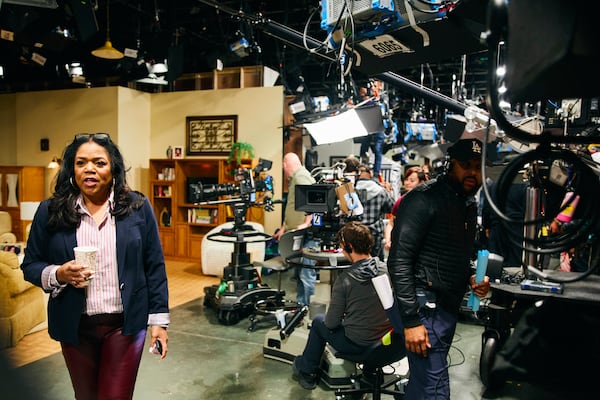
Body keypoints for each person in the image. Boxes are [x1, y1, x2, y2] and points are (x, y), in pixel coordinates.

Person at [21, 133, 170, 400]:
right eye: (81, 163)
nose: (89, 168)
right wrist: (58, 273)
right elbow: (30, 264)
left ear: (113, 170)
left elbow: (154, 266)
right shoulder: (50, 211)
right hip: (74, 326)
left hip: (125, 324)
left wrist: (159, 322)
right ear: (72, 170)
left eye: (99, 162)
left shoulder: (137, 207)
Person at [387, 138, 491, 400]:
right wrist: (411, 321)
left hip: (446, 307)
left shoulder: (466, 203)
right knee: (435, 389)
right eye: (466, 166)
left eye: (478, 167)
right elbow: (398, 261)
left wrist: (472, 276)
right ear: (450, 165)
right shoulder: (422, 200)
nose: (473, 174)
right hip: (423, 308)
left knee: (423, 382)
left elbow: (455, 253)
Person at [292, 221, 393, 390]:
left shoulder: (345, 279)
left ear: (350, 247)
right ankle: (369, 372)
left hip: (358, 344)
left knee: (318, 321)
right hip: (386, 342)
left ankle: (307, 372)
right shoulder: (386, 269)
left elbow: (331, 323)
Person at [274, 152, 316, 305]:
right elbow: (293, 206)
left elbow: (314, 199)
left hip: (305, 234)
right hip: (296, 234)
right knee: (299, 273)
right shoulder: (295, 179)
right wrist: (284, 228)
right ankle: (301, 305)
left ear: (285, 165)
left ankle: (305, 308)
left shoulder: (301, 177)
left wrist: (307, 222)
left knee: (305, 273)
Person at [343, 156, 394, 260]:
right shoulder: (380, 190)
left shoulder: (348, 190)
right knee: (375, 265)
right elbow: (391, 208)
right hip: (374, 234)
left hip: (352, 235)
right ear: (369, 174)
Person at [384, 166, 428, 252]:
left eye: (412, 180)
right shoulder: (401, 200)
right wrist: (388, 240)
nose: (407, 183)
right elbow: (391, 223)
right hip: (402, 246)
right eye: (406, 179)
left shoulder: (428, 202)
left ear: (421, 182)